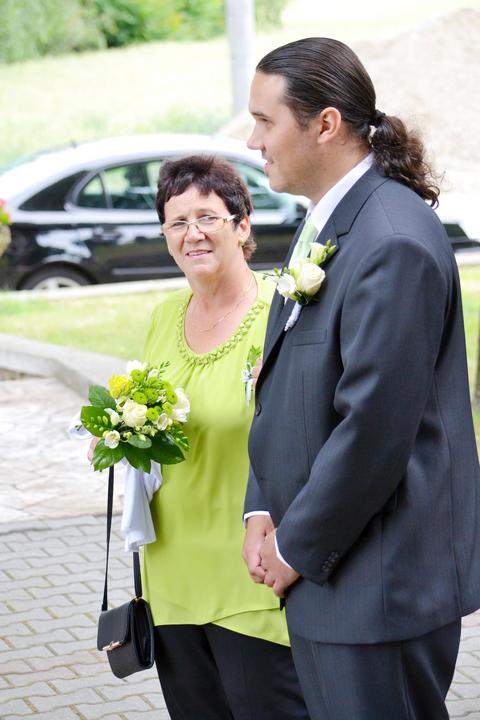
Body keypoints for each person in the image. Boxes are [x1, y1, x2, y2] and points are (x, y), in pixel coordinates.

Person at [243, 37, 480, 719]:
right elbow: (285, 383)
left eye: (265, 121)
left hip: (378, 581)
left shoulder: (392, 241)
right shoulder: (327, 220)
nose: (254, 142)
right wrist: (262, 508)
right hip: (334, 572)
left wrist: (294, 546)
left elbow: (375, 427)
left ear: (325, 124)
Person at [139, 155, 308, 719]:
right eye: (177, 222)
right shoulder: (163, 317)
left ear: (242, 225)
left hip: (251, 572)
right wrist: (119, 439)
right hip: (170, 573)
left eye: (207, 217)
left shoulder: (283, 311)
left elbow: (307, 431)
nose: (193, 234)